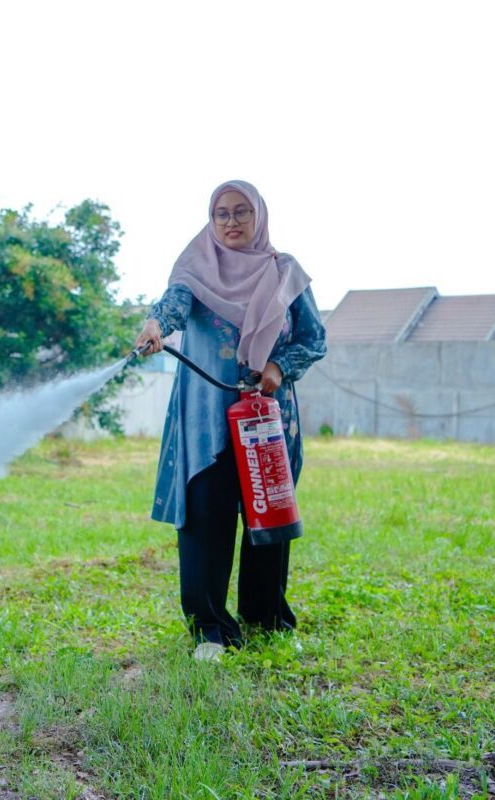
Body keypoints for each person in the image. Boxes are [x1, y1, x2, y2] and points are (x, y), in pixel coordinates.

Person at [133, 180, 326, 661]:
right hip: (207, 420)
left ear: (259, 216)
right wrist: (157, 325)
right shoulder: (195, 267)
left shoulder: (285, 273)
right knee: (206, 520)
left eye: (241, 212)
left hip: (268, 417)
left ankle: (266, 618)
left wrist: (279, 368)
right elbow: (174, 306)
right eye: (221, 213)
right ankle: (211, 630)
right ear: (210, 218)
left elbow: (313, 338)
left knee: (269, 515)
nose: (231, 221)